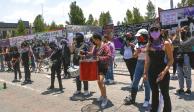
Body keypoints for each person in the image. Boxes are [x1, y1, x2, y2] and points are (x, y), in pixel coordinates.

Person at [143, 25, 173, 112]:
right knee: (154, 93)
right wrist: (145, 73)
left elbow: (171, 60)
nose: (154, 32)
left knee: (165, 94)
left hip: (163, 72)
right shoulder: (149, 45)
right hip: (151, 73)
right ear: (149, 33)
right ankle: (154, 110)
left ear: (160, 31)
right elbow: (147, 61)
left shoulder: (166, 44)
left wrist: (164, 72)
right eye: (152, 30)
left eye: (156, 30)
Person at [124, 29, 150, 108]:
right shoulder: (137, 44)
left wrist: (145, 51)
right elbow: (134, 56)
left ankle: (146, 100)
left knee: (146, 84)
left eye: (140, 36)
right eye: (138, 37)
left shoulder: (150, 43)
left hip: (147, 64)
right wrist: (137, 52)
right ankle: (132, 99)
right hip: (139, 64)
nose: (138, 38)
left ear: (144, 36)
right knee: (135, 81)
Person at [90, 33, 111, 108]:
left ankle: (105, 98)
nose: (93, 42)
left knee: (101, 81)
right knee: (98, 82)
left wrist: (100, 58)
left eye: (94, 40)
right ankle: (102, 95)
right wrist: (85, 53)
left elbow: (109, 56)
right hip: (97, 66)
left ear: (98, 39)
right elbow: (93, 55)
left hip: (103, 67)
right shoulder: (96, 46)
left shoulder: (105, 46)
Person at [176, 26, 192, 95]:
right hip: (179, 57)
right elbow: (173, 43)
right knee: (180, 74)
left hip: (186, 57)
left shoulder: (189, 39)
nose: (182, 32)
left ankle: (188, 89)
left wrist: (179, 35)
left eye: (183, 31)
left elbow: (182, 44)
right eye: (181, 31)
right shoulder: (179, 38)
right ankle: (181, 88)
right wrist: (177, 34)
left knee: (187, 74)